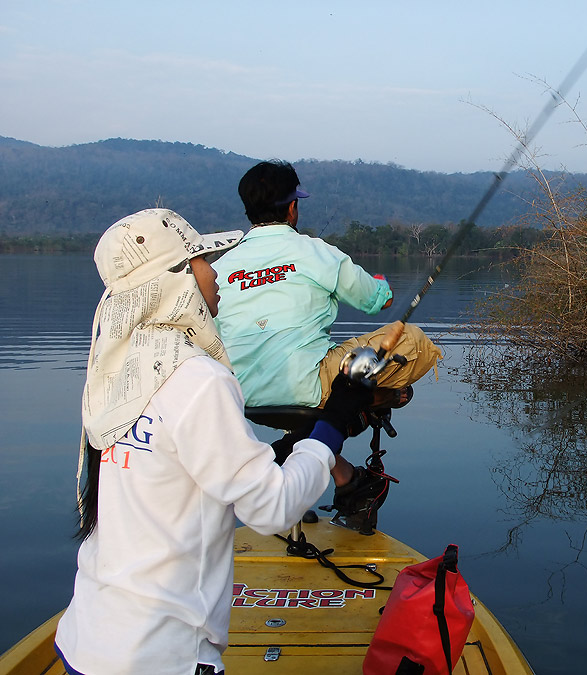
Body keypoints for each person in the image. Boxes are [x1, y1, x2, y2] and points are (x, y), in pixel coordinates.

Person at [53, 208, 371, 675]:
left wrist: (281, 452)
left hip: (86, 640)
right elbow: (272, 509)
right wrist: (333, 423)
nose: (216, 271)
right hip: (163, 656)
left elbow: (171, 469)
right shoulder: (197, 379)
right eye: (204, 259)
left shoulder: (113, 371)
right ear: (177, 278)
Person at [211, 160, 441, 411]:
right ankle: (366, 407)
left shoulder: (218, 269)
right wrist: (380, 284)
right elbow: (379, 301)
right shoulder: (316, 252)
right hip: (311, 389)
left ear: (248, 210)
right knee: (413, 340)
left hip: (241, 397)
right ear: (292, 208)